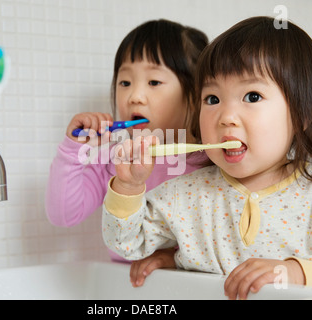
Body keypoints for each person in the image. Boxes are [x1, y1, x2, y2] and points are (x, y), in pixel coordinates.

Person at [102, 16, 312, 299]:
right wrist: (128, 187)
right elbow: (125, 243)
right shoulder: (185, 193)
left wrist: (293, 272)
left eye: (252, 96)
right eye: (212, 99)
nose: (226, 117)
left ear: (302, 114)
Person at [46, 19, 209, 262]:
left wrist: (171, 259)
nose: (134, 96)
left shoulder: (211, 161)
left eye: (154, 82)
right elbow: (63, 216)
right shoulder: (114, 160)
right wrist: (73, 151)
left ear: (196, 94)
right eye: (125, 83)